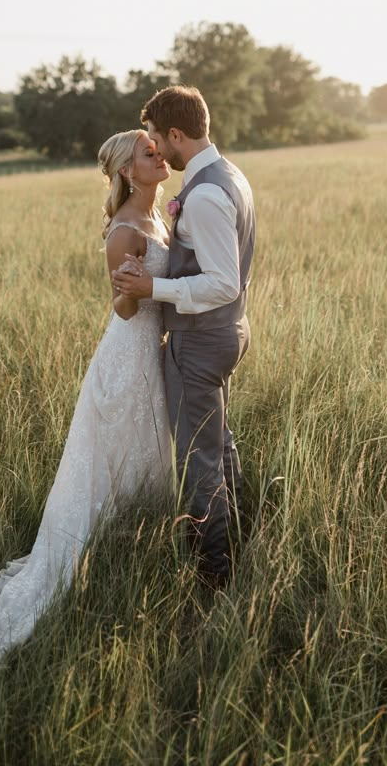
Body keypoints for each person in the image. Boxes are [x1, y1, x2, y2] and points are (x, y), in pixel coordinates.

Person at [0, 129, 172, 680]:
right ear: (129, 169)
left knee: (144, 466)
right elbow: (125, 310)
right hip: (125, 363)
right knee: (104, 477)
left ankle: (133, 548)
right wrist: (137, 285)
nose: (160, 156)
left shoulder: (159, 218)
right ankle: (45, 598)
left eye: (159, 149)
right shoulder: (125, 230)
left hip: (154, 361)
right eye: (148, 153)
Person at [113, 86, 255, 588]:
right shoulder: (228, 175)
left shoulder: (209, 192)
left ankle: (214, 569)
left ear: (176, 134)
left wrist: (154, 286)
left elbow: (223, 281)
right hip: (223, 333)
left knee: (199, 456)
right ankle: (241, 524)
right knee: (217, 440)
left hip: (201, 339)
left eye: (155, 137)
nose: (154, 147)